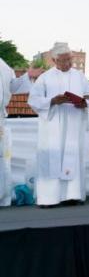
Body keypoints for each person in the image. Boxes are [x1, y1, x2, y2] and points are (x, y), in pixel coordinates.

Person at [28, 43, 89, 207]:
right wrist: (51, 101)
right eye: (63, 60)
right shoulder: (45, 77)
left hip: (73, 121)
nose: (68, 64)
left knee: (72, 157)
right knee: (52, 158)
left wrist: (85, 103)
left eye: (69, 59)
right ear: (54, 60)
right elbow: (33, 100)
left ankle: (72, 195)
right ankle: (48, 198)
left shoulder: (79, 76)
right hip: (52, 126)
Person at [0, 58, 40, 206]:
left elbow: (12, 87)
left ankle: (2, 196)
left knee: (1, 157)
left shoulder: (3, 65)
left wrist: (28, 76)